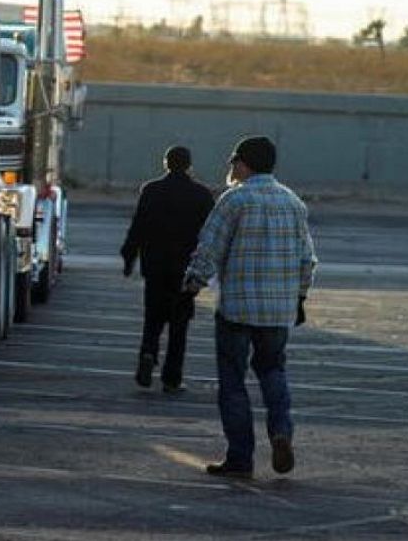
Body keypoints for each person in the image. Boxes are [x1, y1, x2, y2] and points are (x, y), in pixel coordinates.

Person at [183, 135, 316, 479]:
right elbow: (307, 259)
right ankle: (281, 431)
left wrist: (192, 284)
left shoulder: (234, 199)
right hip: (278, 311)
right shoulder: (293, 202)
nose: (232, 168)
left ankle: (240, 458)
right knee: (273, 371)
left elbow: (209, 247)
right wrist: (299, 298)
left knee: (232, 383)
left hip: (237, 310)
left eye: (234, 162)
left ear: (244, 164)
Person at [120, 145, 215, 393]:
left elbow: (138, 226)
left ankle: (148, 353)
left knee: (153, 318)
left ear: (166, 163)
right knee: (179, 325)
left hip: (155, 266)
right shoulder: (202, 195)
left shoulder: (151, 191)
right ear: (189, 165)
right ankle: (172, 378)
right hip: (186, 269)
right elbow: (210, 235)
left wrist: (129, 257)